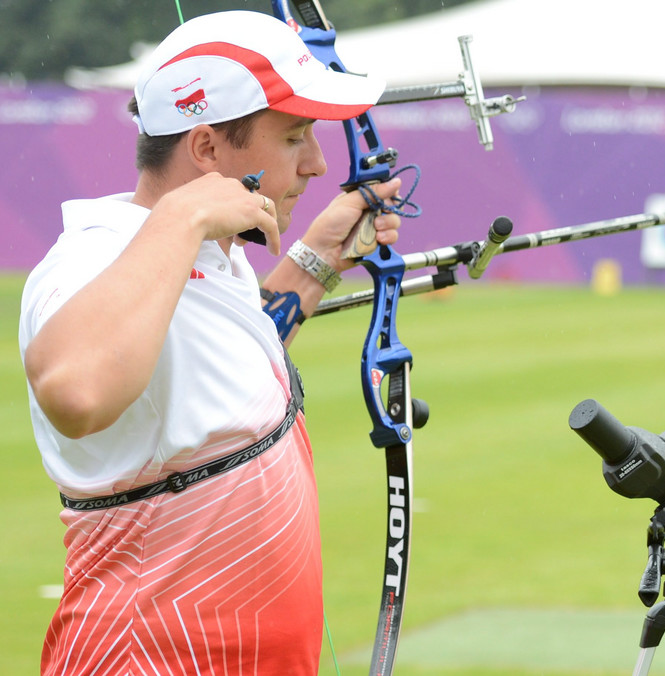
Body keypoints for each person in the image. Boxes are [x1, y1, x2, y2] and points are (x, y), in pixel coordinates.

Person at [18, 10, 404, 674]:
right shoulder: (96, 258)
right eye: (293, 139)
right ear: (205, 151)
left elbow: (220, 375)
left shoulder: (204, 253)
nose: (315, 165)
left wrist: (315, 259)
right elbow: (75, 390)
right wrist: (184, 212)